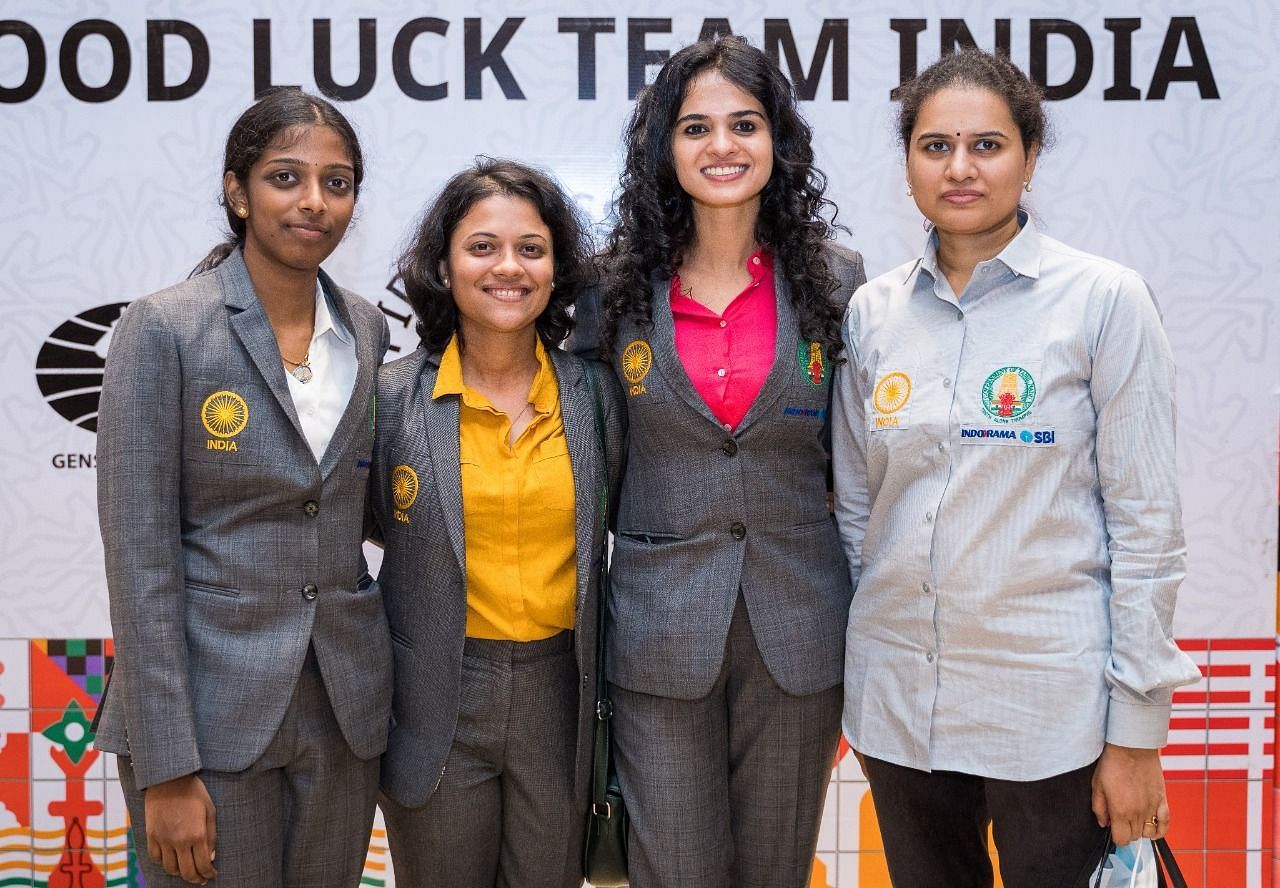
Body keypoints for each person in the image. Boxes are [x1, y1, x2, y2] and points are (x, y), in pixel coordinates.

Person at [831, 48, 1202, 887]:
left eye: (987, 145)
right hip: (900, 714)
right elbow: (859, 512)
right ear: (908, 165)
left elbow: (1148, 528)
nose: (960, 168)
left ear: (1030, 159)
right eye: (935, 147)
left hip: (1050, 714)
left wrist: (1136, 730)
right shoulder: (872, 313)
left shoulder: (1103, 300)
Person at [569, 36, 865, 888]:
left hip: (799, 635)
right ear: (664, 145)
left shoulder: (836, 282)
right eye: (696, 127)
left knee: (775, 872)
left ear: (778, 141)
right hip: (659, 637)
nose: (722, 146)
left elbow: (857, 464)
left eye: (745, 124)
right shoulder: (612, 286)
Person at [94, 88, 392, 887]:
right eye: (285, 177)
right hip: (207, 718)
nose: (314, 202)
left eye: (338, 182)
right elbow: (139, 557)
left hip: (341, 709)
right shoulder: (165, 327)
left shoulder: (367, 329)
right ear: (237, 190)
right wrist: (165, 765)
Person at [371, 158, 625, 887]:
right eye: (482, 246)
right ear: (444, 266)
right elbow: (380, 528)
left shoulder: (598, 398)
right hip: (435, 698)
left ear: (555, 270)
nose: (507, 267)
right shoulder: (391, 400)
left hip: (561, 691)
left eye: (531, 249)